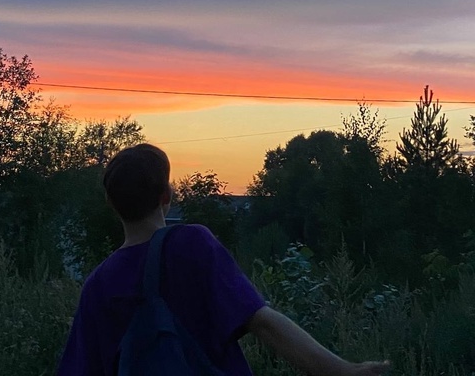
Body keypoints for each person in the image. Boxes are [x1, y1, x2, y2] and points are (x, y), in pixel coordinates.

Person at [57, 143, 389, 376]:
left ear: (111, 204)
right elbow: (262, 322)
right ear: (166, 196)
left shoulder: (98, 285)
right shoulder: (191, 245)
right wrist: (342, 370)